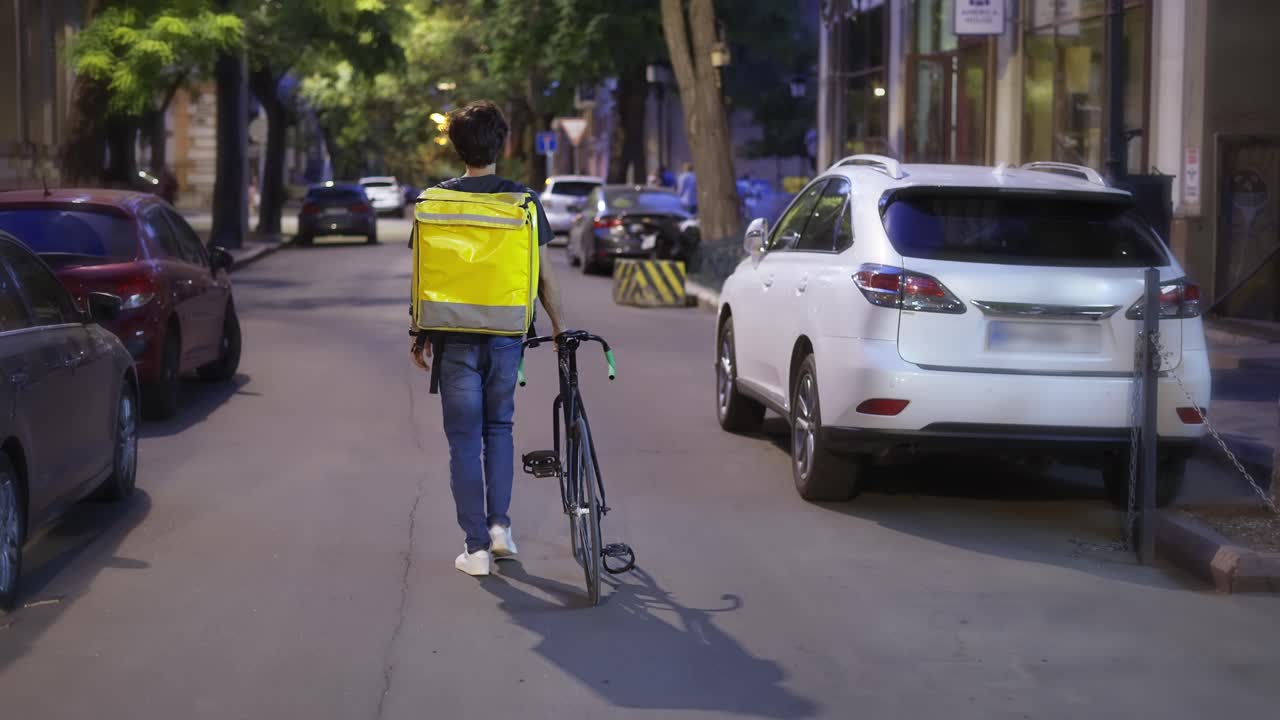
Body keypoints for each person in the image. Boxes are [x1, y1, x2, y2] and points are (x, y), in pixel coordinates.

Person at [410, 100, 567, 577]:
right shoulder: (523, 201)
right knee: (498, 429)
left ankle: (475, 549)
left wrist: (418, 333)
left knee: (462, 441)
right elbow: (543, 276)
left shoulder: (434, 201)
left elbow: (421, 274)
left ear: (457, 147)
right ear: (503, 144)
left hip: (453, 336)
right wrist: (558, 327)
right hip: (505, 335)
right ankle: (500, 528)